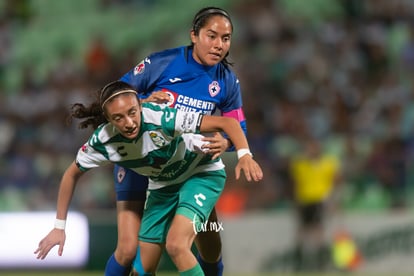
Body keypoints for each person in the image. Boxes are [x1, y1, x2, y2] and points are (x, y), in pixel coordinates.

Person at [34, 80, 263, 276]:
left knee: (176, 244)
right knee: (144, 267)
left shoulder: (162, 117)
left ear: (140, 107)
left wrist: (244, 154)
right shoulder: (103, 141)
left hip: (199, 173)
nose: (129, 122)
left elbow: (228, 122)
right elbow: (71, 174)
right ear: (108, 120)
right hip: (162, 186)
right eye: (118, 118)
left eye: (132, 112)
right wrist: (59, 227)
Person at [107, 6, 247, 276]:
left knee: (209, 239)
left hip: (186, 164)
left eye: (226, 39)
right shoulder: (162, 63)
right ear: (194, 35)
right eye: (212, 36)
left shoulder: (227, 81)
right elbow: (114, 97)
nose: (219, 45)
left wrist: (226, 142)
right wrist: (144, 102)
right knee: (127, 250)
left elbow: (236, 126)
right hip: (140, 161)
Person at [288, 137, 341, 271]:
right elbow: (296, 184)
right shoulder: (300, 164)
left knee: (318, 231)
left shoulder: (328, 163)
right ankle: (300, 262)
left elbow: (336, 181)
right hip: (304, 200)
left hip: (320, 200)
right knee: (302, 231)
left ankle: (320, 263)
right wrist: (296, 202)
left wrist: (333, 200)